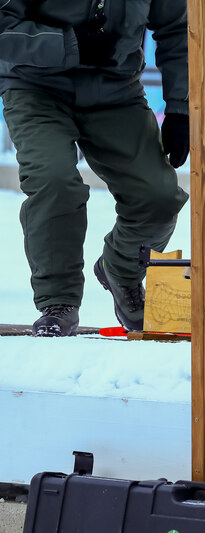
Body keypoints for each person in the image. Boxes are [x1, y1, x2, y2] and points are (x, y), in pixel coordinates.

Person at [0, 0, 190, 337]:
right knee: (53, 181)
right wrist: (67, 44)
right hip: (36, 87)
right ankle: (58, 302)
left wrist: (180, 107)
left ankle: (123, 271)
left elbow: (179, 30)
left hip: (117, 90)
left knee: (159, 197)